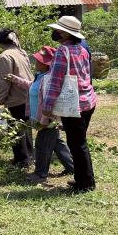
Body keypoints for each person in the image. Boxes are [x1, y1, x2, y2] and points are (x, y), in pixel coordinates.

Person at [43, 16, 98, 193]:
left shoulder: (62, 51)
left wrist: (48, 104)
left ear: (66, 33)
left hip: (74, 105)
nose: (56, 33)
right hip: (88, 101)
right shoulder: (82, 49)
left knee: (77, 144)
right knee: (80, 142)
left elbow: (56, 80)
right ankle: (83, 179)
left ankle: (85, 184)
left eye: (59, 31)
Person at [5, 46, 75, 184]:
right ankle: (72, 167)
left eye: (38, 60)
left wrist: (44, 120)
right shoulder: (41, 76)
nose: (35, 62)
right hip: (44, 118)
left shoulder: (49, 79)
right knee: (57, 143)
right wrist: (16, 80)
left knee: (42, 145)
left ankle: (40, 174)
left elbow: (49, 102)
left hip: (47, 119)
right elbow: (32, 86)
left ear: (45, 64)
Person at [0, 28, 35, 167]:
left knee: (15, 129)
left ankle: (22, 160)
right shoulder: (21, 52)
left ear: (0, 42)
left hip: (15, 97)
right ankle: (29, 156)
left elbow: (4, 79)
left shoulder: (5, 56)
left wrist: (1, 98)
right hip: (27, 94)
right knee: (25, 126)